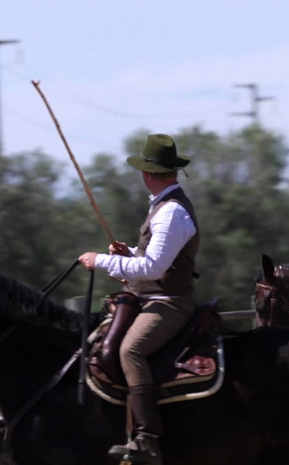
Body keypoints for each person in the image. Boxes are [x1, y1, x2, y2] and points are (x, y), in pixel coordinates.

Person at [78, 133, 199, 465]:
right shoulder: (163, 208)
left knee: (131, 349)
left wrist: (101, 261)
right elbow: (151, 259)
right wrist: (127, 253)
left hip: (170, 301)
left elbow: (153, 267)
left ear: (147, 173)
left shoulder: (170, 212)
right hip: (152, 295)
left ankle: (147, 438)